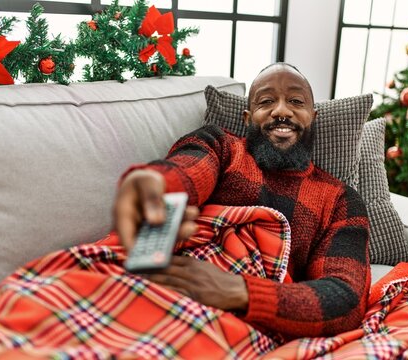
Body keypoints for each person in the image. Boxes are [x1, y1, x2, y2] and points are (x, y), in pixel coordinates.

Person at [114, 62, 370, 340]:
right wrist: (155, 184)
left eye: (296, 101)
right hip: (162, 282)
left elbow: (346, 298)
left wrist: (239, 291)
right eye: (267, 101)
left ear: (313, 116)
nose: (282, 111)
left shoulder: (340, 199)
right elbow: (187, 170)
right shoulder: (221, 145)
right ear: (248, 118)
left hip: (240, 321)